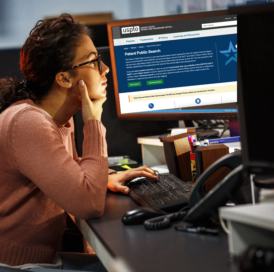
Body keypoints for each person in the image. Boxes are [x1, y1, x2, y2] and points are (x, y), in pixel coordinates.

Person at [0, 14, 158, 271]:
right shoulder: (28, 122)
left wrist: (103, 178)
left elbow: (68, 168)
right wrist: (94, 122)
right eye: (94, 61)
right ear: (63, 79)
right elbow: (88, 204)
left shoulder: (59, 117)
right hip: (16, 266)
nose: (105, 68)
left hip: (39, 260)